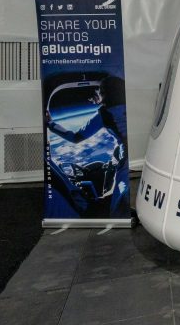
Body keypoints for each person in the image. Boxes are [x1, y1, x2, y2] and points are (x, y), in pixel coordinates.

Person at [46, 75, 130, 218]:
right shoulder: (128, 105)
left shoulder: (104, 113)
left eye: (100, 91)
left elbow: (76, 137)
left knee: (120, 202)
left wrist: (51, 124)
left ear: (105, 94)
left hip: (126, 157)